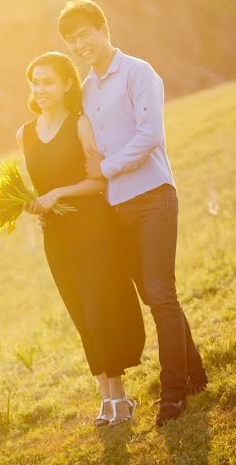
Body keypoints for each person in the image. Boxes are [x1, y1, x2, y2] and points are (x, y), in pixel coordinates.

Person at [57, 0, 208, 426]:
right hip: (114, 210)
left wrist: (105, 168)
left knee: (161, 294)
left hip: (153, 197)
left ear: (103, 29)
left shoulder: (140, 73)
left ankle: (173, 394)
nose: (80, 44)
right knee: (154, 296)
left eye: (84, 34)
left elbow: (150, 136)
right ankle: (195, 373)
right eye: (72, 41)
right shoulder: (85, 90)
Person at [16, 51, 145, 428]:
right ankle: (104, 397)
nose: (40, 89)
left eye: (48, 82)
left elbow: (97, 182)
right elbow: (38, 184)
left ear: (68, 84)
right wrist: (34, 204)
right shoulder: (24, 134)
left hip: (93, 230)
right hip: (56, 235)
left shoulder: (80, 124)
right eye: (35, 82)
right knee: (80, 312)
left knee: (99, 309)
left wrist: (58, 194)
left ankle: (119, 398)